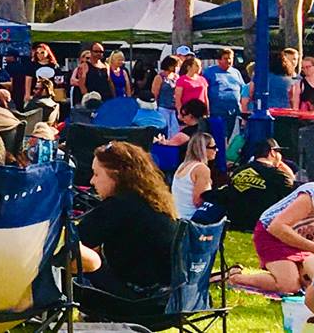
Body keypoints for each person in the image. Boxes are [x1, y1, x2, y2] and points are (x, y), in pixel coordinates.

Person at [72, 141, 177, 308]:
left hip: (136, 300)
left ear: (117, 175)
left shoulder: (118, 206)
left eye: (97, 174)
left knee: (71, 253)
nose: (92, 181)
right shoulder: (154, 202)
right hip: (170, 297)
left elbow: (74, 241)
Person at [234, 178, 314, 295]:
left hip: (304, 240)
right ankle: (235, 278)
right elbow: (276, 227)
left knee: (312, 282)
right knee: (290, 286)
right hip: (273, 235)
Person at [173, 132, 216, 219]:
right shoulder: (202, 169)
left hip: (177, 215)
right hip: (190, 218)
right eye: (213, 147)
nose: (216, 150)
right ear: (203, 149)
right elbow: (198, 201)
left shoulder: (183, 165)